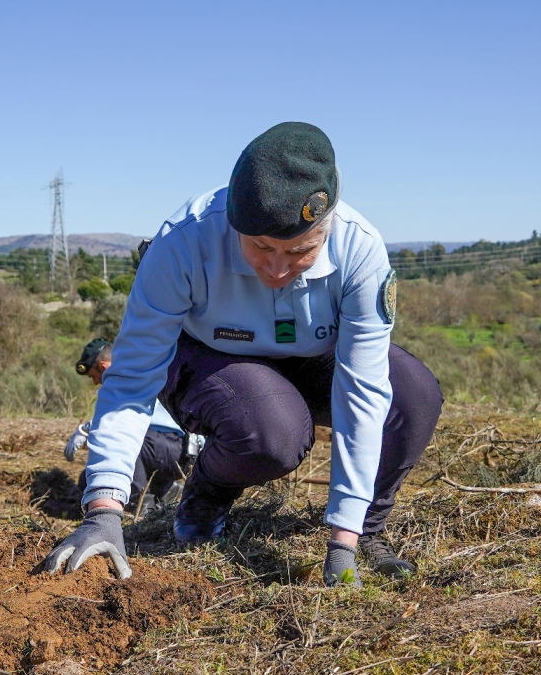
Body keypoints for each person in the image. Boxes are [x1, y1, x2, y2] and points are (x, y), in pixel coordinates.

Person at [44, 122, 444, 586]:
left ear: (328, 224)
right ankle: (207, 494)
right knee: (273, 433)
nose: (277, 269)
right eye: (261, 247)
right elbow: (132, 376)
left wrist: (344, 541)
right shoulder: (182, 243)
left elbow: (364, 389)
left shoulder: (360, 250)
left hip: (313, 354)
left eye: (301, 250)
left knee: (412, 394)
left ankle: (368, 531)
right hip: (208, 355)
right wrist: (103, 510)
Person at [66, 338, 198, 517]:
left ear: (103, 367)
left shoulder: (133, 375)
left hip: (177, 449)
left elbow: (123, 417)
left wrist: (86, 429)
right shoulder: (136, 371)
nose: (95, 382)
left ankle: (139, 501)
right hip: (163, 449)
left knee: (123, 438)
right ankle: (165, 491)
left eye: (93, 376)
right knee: (88, 479)